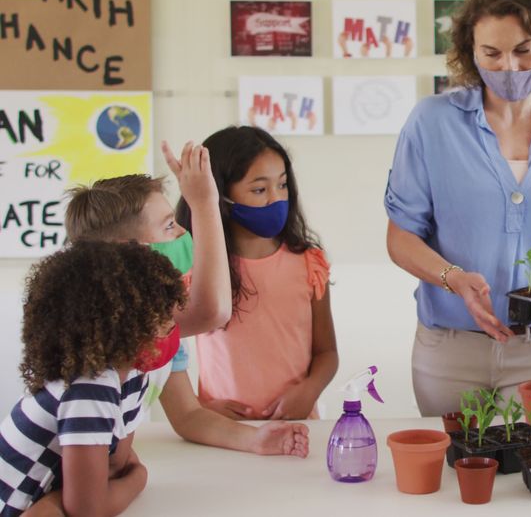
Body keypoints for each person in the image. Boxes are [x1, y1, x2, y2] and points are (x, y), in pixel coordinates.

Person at [384, 0, 531, 416]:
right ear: (471, 52)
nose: (509, 67)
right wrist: (454, 278)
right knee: (459, 478)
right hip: (450, 348)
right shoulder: (431, 123)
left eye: (523, 50)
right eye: (492, 53)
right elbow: (400, 237)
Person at [63, 142, 310, 456]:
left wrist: (256, 440)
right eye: (169, 225)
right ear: (130, 250)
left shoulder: (163, 322)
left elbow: (188, 416)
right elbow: (213, 311)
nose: (182, 232)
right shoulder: (120, 322)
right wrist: (204, 202)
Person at [0, 241, 186, 516]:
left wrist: (64, 499)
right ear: (120, 322)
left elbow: (115, 466)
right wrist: (139, 478)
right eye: (160, 317)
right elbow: (88, 510)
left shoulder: (132, 375)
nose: (171, 325)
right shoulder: (89, 385)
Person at [177, 126, 338, 420]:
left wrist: (309, 390)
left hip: (296, 426)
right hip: (224, 431)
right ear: (220, 194)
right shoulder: (196, 270)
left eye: (283, 185)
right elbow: (163, 350)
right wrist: (200, 406)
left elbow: (327, 352)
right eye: (259, 190)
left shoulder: (309, 263)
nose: (276, 199)